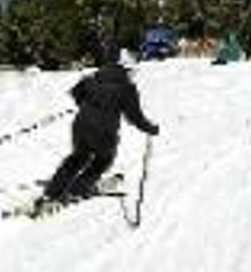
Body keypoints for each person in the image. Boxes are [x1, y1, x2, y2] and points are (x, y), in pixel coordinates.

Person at [35, 40, 159, 210]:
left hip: (81, 125)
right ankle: (78, 190)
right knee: (103, 160)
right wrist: (151, 129)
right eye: (132, 71)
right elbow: (134, 117)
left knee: (78, 157)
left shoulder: (95, 75)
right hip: (103, 131)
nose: (132, 75)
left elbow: (75, 92)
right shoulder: (127, 88)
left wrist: (88, 104)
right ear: (126, 68)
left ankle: (53, 191)